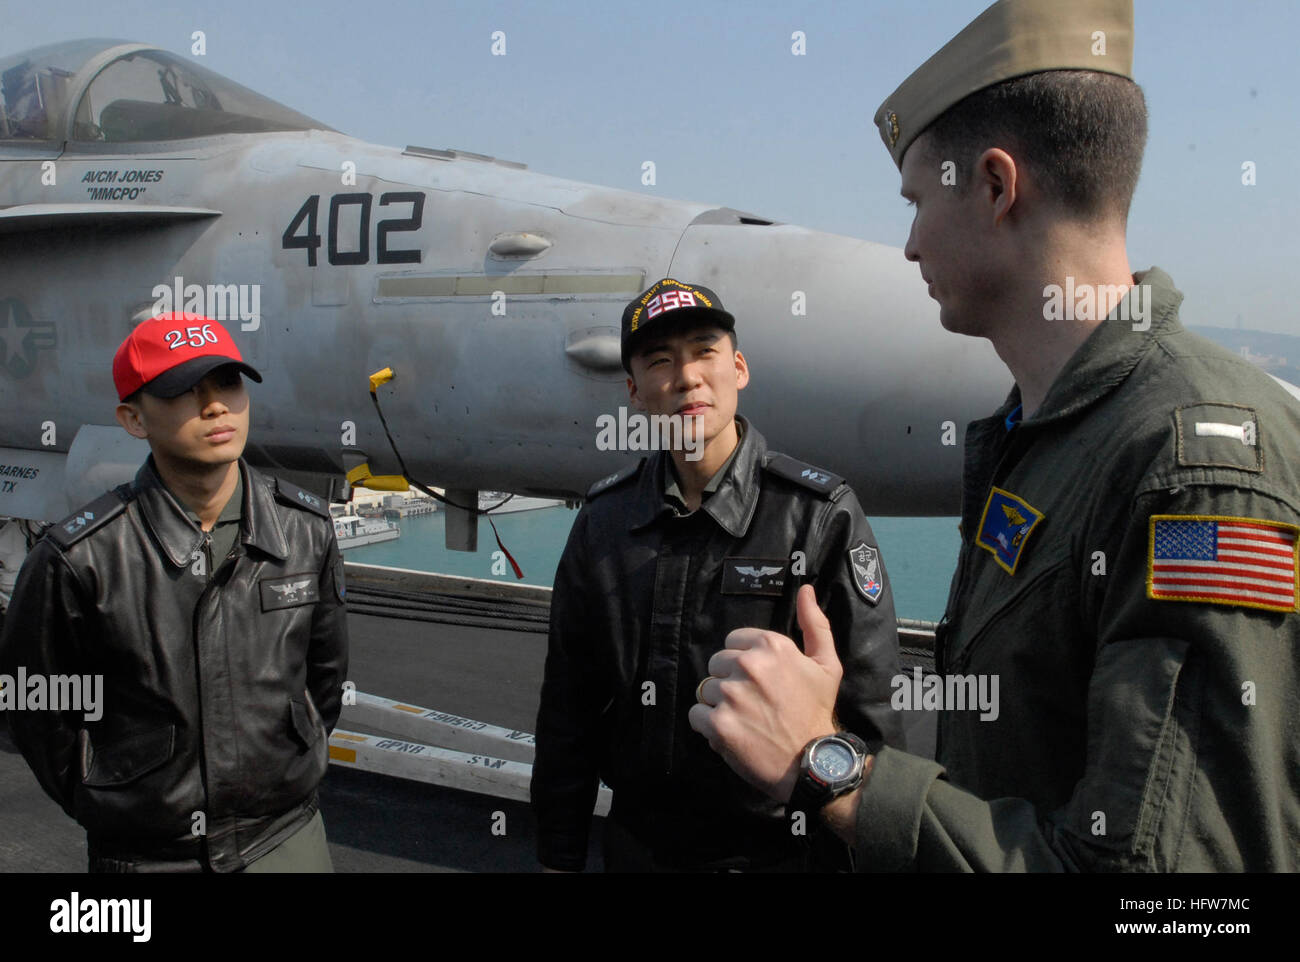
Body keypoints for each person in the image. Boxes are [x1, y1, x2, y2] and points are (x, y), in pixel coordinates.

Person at [689, 0, 1300, 871]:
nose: (908, 246)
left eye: (915, 202)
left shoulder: (1193, 468)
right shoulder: (1055, 436)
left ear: (994, 186)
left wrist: (831, 770)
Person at [530, 278, 903, 871]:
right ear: (634, 392)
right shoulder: (604, 524)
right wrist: (558, 855)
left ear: (739, 368)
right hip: (638, 852)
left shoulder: (818, 516)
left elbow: (871, 713)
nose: (687, 377)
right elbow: (567, 710)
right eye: (660, 361)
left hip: (779, 855)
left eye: (705, 351)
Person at [0, 313, 349, 872]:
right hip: (148, 857)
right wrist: (105, 798)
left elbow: (324, 681)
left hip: (284, 841)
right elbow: (37, 708)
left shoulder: (305, 532)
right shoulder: (80, 559)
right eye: (183, 391)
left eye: (227, 383)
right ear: (133, 419)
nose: (215, 407)